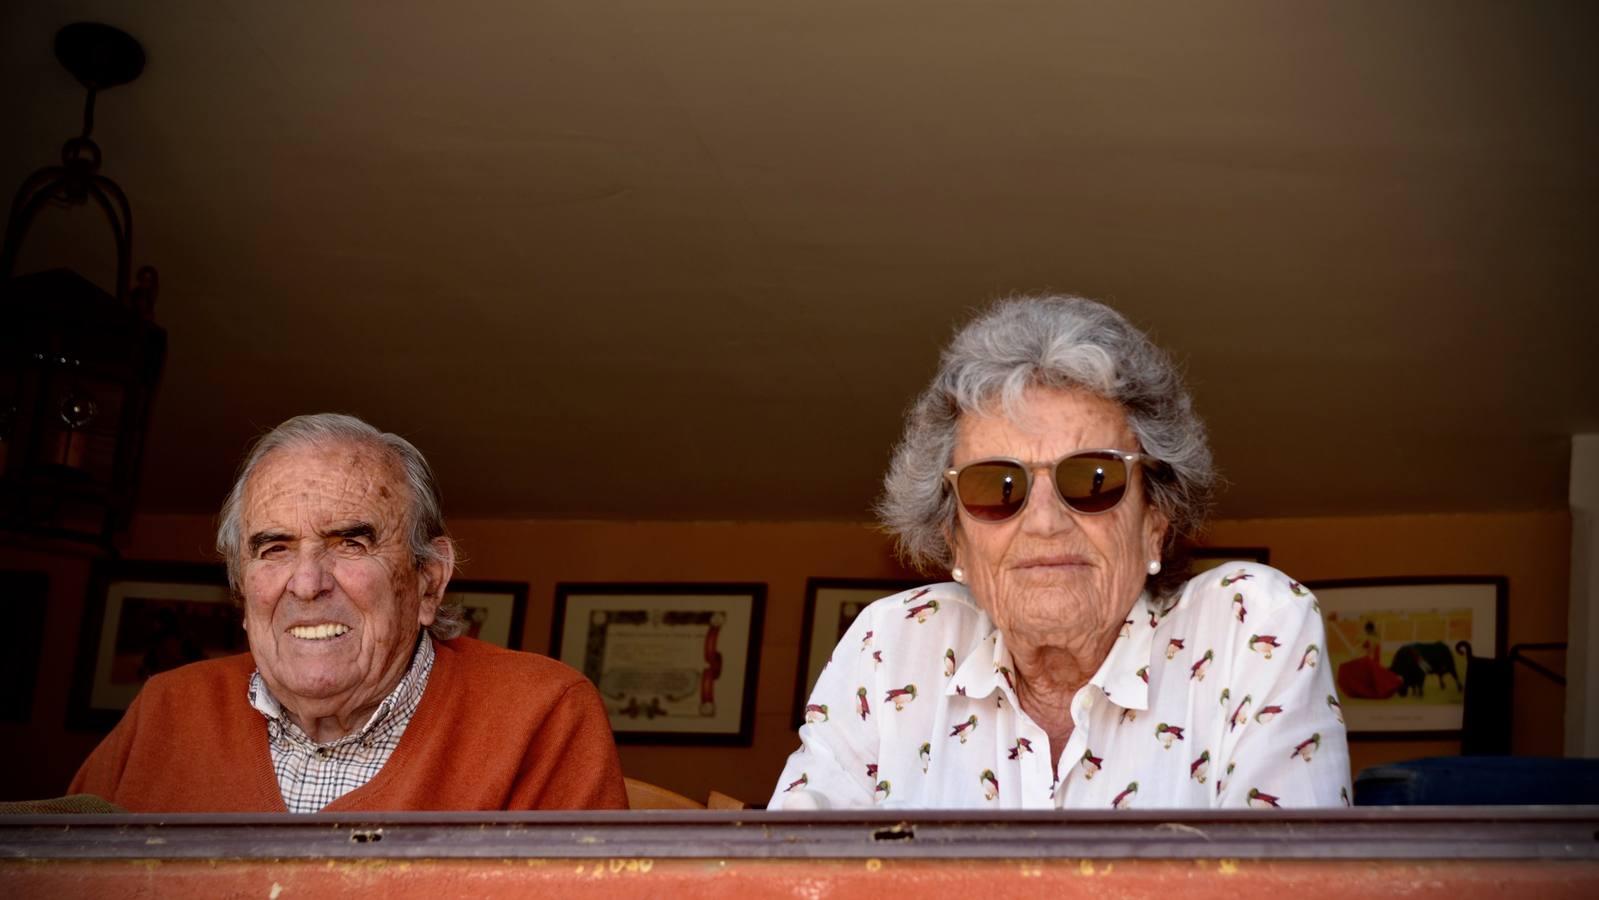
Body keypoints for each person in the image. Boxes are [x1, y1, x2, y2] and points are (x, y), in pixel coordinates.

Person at [770, 296, 1350, 809]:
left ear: (1155, 519)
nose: (1045, 522)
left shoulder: (1246, 628)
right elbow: (787, 875)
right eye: (995, 488)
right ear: (955, 539)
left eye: (1093, 480)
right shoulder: (893, 646)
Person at [72, 413, 628, 812]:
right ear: (243, 588)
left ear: (428, 582)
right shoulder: (165, 711)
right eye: (274, 549)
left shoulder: (540, 714)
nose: (308, 584)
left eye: (350, 544)